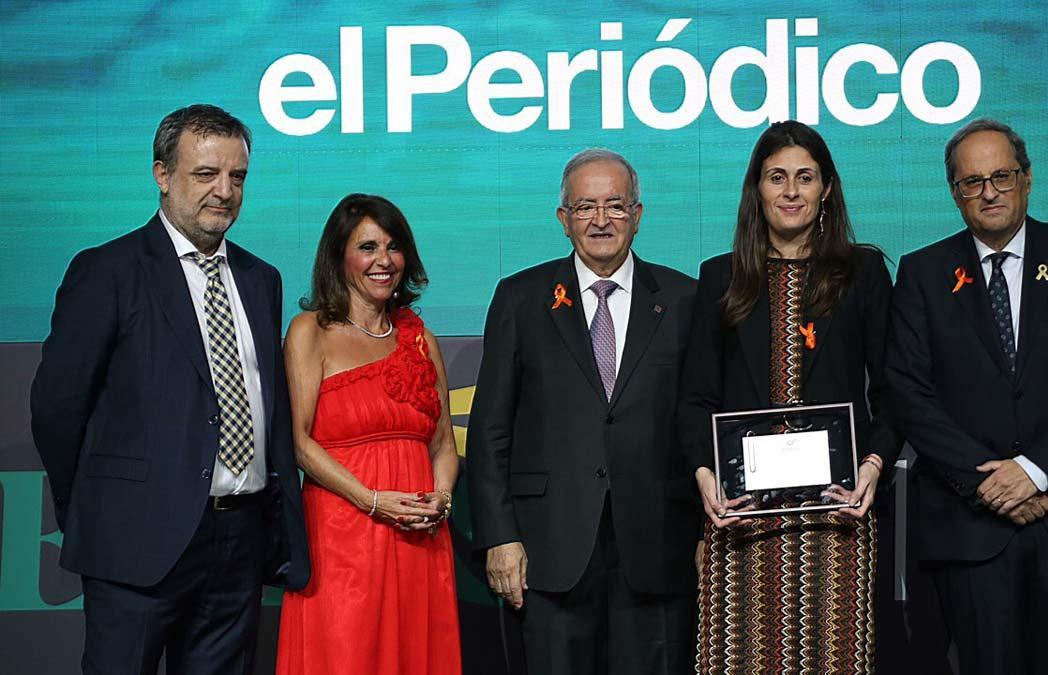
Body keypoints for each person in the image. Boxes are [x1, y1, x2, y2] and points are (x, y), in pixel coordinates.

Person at [29, 104, 310, 674]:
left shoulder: (262, 279)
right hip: (134, 539)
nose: (225, 191)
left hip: (240, 540)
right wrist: (91, 507)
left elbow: (269, 407)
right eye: (206, 175)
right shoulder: (106, 270)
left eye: (238, 176)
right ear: (162, 175)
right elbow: (56, 409)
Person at [886, 118, 1048, 674]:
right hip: (971, 524)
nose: (989, 192)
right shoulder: (923, 272)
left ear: (1027, 180)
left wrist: (1037, 470)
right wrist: (990, 485)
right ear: (955, 193)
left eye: (1001, 176)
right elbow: (909, 392)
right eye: (972, 182)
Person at [677, 120, 902, 675]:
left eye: (805, 177)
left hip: (839, 511)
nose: (792, 191)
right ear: (757, 188)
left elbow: (895, 390)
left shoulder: (863, 271)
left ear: (827, 187)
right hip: (742, 518)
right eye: (777, 177)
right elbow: (695, 397)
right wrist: (707, 476)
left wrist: (874, 464)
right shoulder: (720, 278)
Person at [466, 149, 699, 675]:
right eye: (585, 206)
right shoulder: (521, 298)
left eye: (615, 206)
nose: (600, 220)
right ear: (563, 219)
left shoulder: (686, 299)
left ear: (638, 215)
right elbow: (490, 430)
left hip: (657, 546)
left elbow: (698, 423)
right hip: (549, 549)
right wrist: (500, 537)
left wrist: (707, 535)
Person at [275, 194, 461, 674]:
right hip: (342, 537)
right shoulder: (309, 331)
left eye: (393, 246)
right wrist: (372, 499)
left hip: (419, 537)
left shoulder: (421, 339)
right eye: (368, 246)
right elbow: (299, 442)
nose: (384, 260)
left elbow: (442, 444)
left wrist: (438, 500)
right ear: (340, 256)